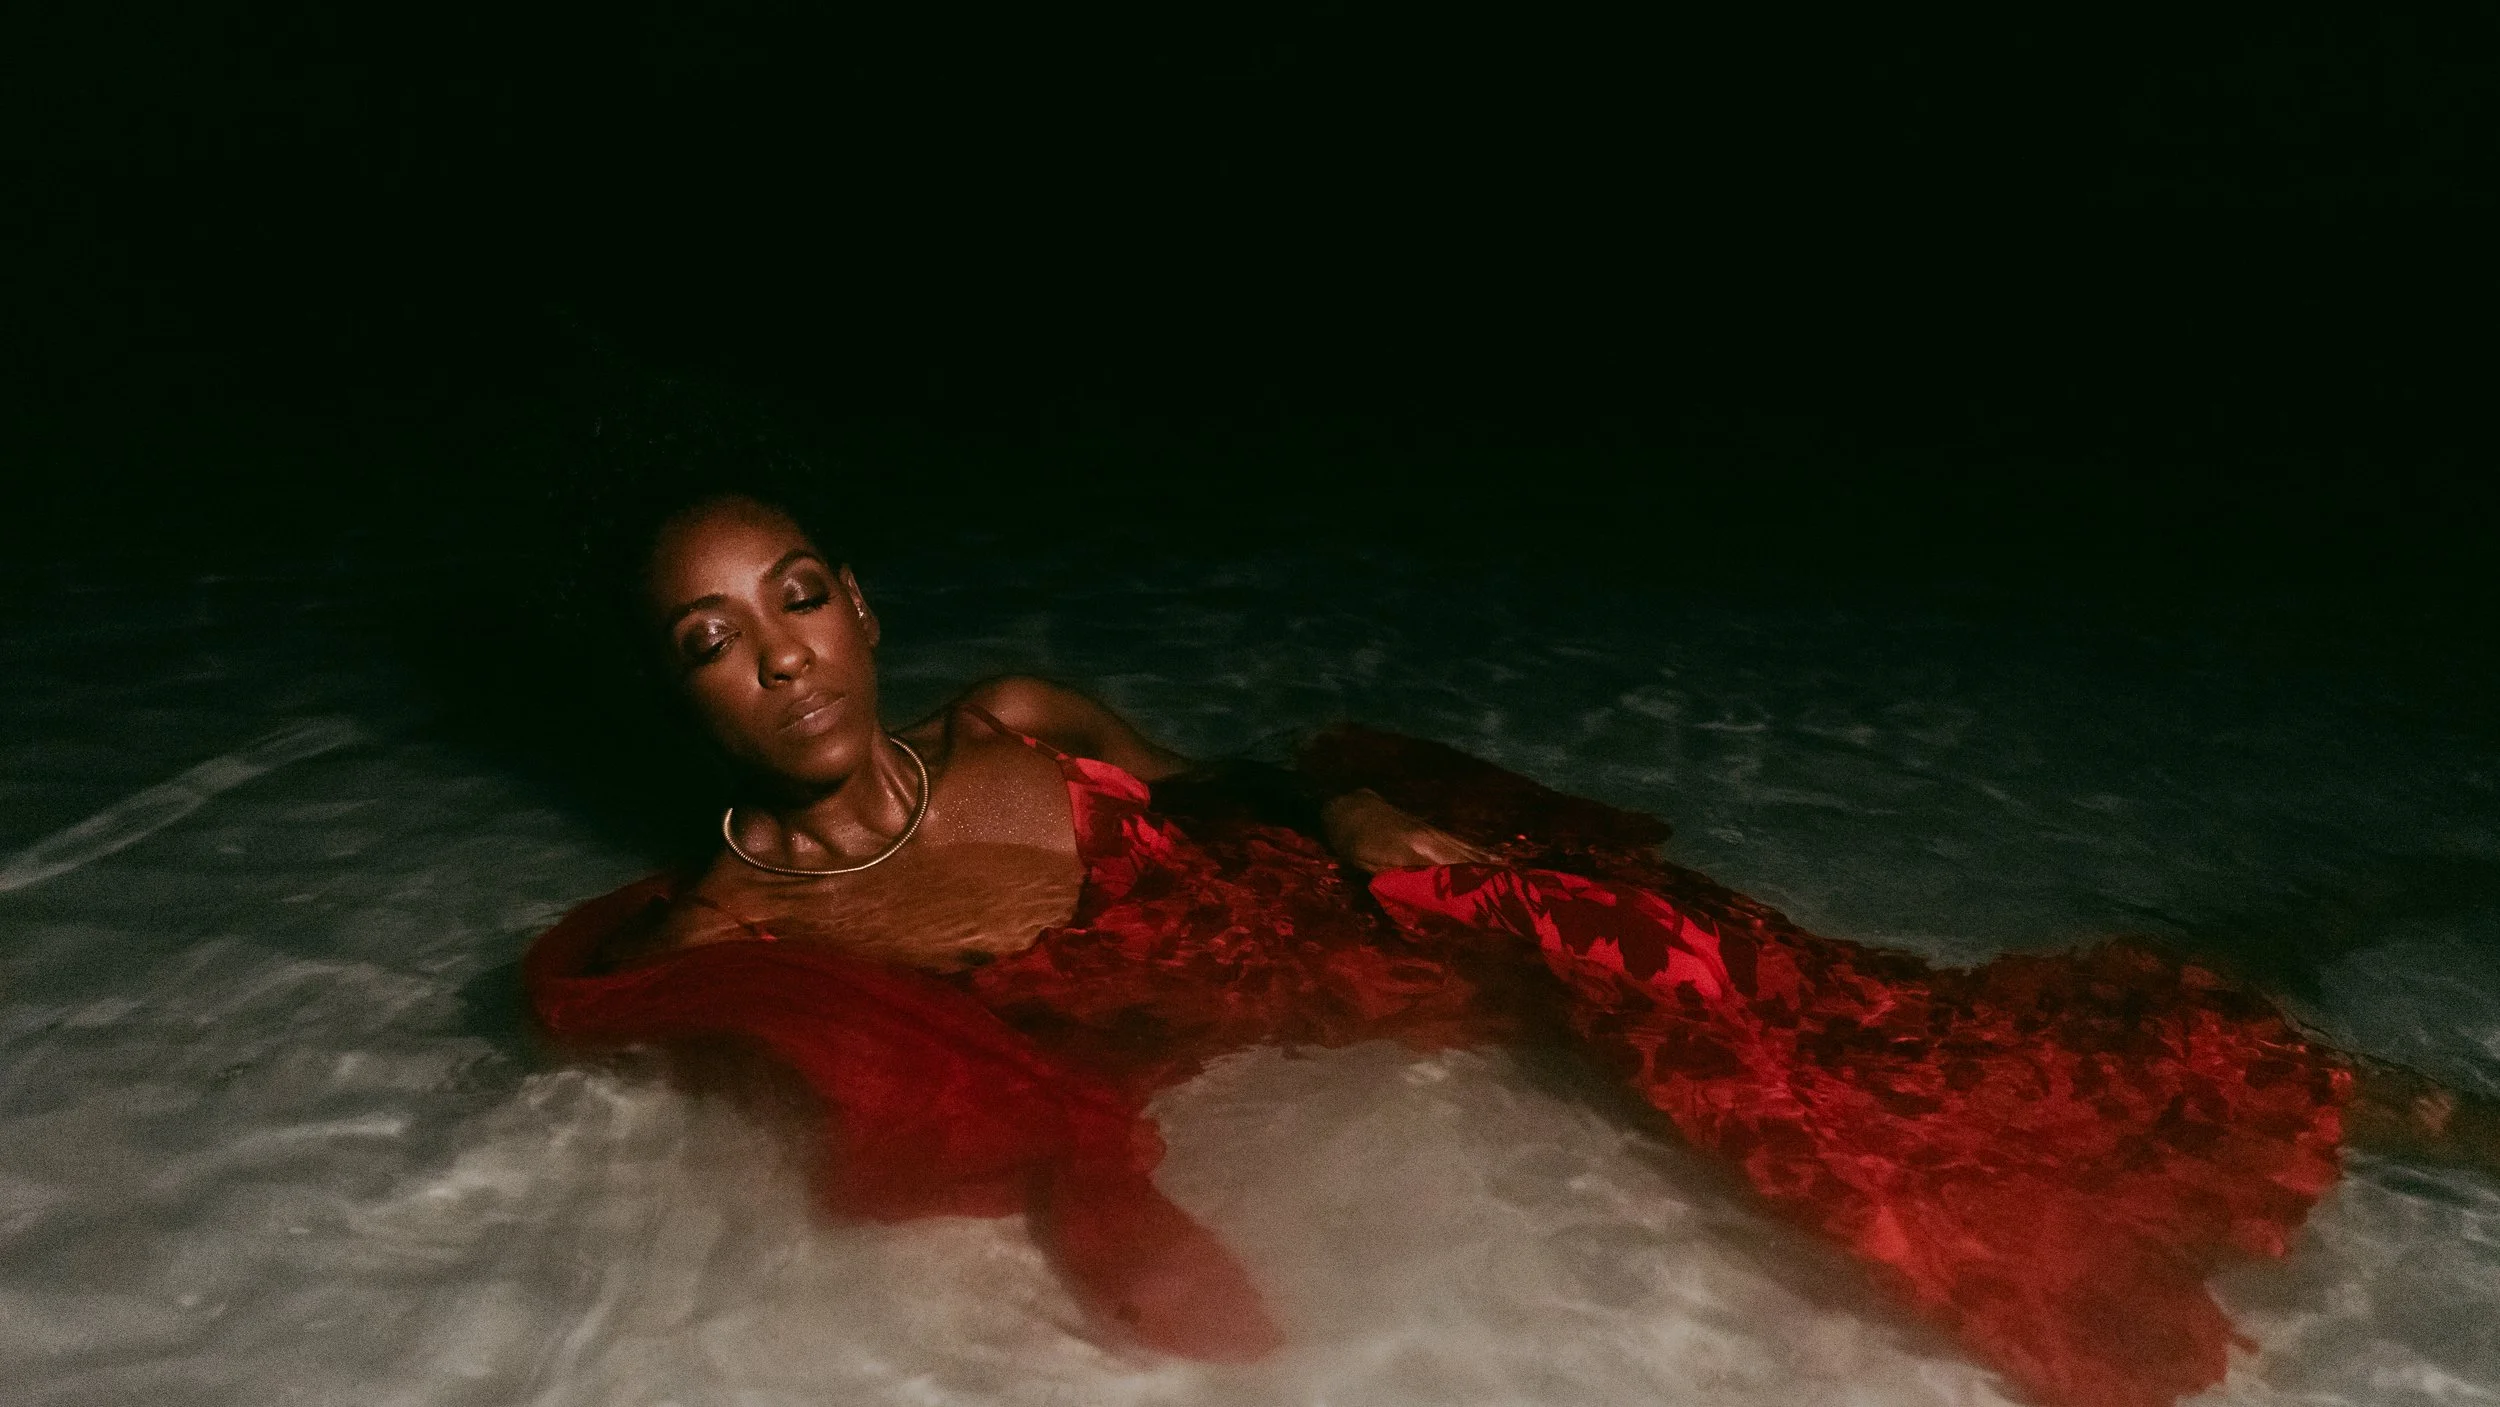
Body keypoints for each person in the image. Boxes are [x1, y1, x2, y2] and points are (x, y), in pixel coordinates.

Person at [528, 490, 2495, 1407]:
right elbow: (911, 1099)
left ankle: (2361, 1081)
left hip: (1426, 909)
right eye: (714, 638)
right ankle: (2288, 1000)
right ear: (674, 692)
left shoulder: (1019, 721)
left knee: (1852, 1044)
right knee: (1856, 1043)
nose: (782, 656)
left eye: (799, 595)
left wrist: (1359, 818)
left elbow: (1222, 785)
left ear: (863, 605)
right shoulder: (744, 919)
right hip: (1379, 1005)